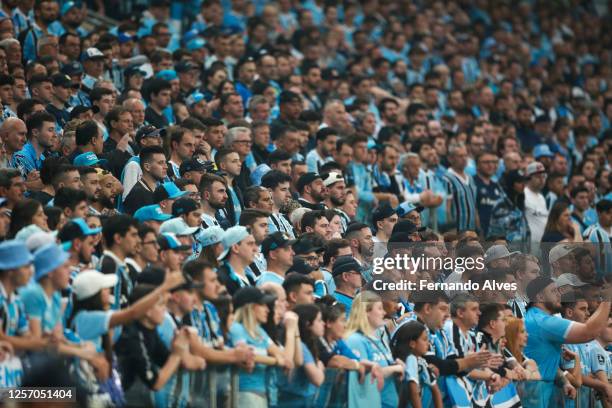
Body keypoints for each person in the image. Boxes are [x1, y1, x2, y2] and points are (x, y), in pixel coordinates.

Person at [523, 276, 611, 408]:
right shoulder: (542, 322)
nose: (559, 295)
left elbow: (543, 363)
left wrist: (564, 381)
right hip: (536, 399)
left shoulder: (534, 317)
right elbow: (589, 333)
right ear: (540, 297)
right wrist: (607, 300)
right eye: (553, 291)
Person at [229, 286, 288, 408]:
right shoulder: (236, 328)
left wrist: (276, 359)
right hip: (243, 393)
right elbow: (246, 356)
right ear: (250, 307)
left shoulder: (260, 332)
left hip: (262, 394)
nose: (267, 310)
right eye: (263, 305)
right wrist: (276, 361)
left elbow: (282, 355)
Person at [345, 291, 404, 408]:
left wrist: (395, 365)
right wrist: (394, 369)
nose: (384, 312)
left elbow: (380, 366)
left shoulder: (376, 339)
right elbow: (363, 376)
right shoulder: (355, 340)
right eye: (379, 308)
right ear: (366, 312)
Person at [278, 303, 325, 407]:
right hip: (292, 401)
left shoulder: (308, 345)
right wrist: (320, 367)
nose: (323, 324)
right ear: (308, 324)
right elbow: (317, 379)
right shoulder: (301, 346)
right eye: (319, 320)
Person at [391, 320, 443, 408]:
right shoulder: (411, 359)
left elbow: (435, 390)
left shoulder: (421, 361)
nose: (428, 343)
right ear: (412, 344)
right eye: (424, 339)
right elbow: (413, 390)